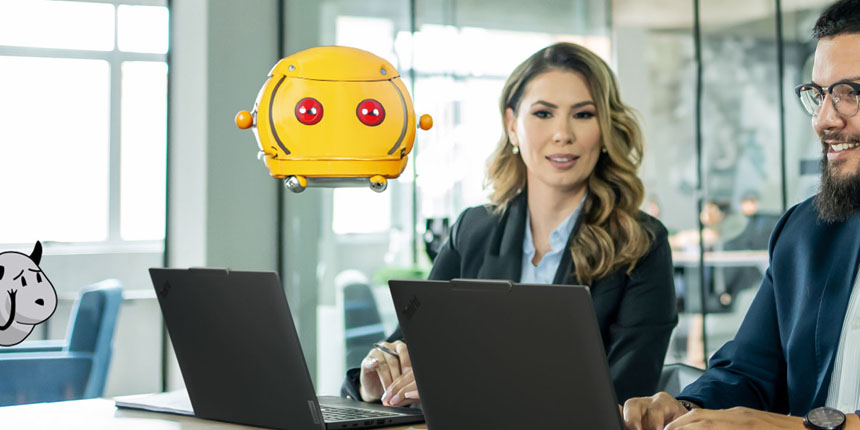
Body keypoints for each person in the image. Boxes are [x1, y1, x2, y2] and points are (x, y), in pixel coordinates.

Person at [340, 42, 677, 407]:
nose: (562, 133)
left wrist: (473, 389)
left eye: (583, 115)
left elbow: (625, 394)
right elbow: (409, 346)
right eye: (544, 114)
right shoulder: (473, 230)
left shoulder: (641, 244)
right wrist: (373, 382)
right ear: (512, 125)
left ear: (606, 127)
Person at [622, 1, 860, 429]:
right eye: (820, 95)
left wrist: (785, 428)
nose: (824, 120)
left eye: (850, 93)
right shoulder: (805, 233)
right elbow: (749, 371)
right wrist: (687, 409)